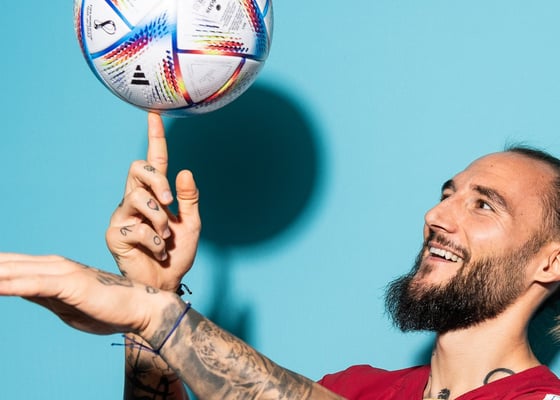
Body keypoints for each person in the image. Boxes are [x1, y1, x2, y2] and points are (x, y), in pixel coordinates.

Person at [1, 114, 560, 400]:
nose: (437, 216)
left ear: (551, 263)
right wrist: (153, 294)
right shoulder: (351, 388)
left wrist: (157, 316)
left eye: (484, 205)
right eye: (447, 194)